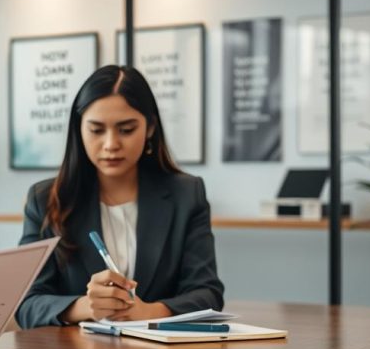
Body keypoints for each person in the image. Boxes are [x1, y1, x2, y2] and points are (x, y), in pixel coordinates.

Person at [16, 65, 223, 329]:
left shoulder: (186, 195)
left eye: (126, 130)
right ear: (79, 130)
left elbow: (208, 294)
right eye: (96, 130)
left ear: (150, 128)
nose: (111, 144)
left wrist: (149, 311)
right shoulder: (45, 200)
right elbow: (25, 304)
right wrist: (83, 307)